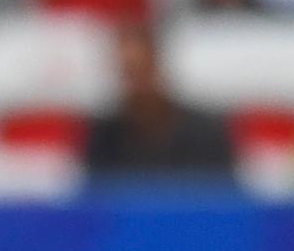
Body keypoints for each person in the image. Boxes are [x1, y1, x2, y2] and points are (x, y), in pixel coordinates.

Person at [86, 24, 235, 179]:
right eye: (128, 73)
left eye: (142, 70)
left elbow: (219, 194)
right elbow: (100, 195)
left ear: (158, 67)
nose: (136, 84)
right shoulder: (105, 138)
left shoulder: (205, 133)